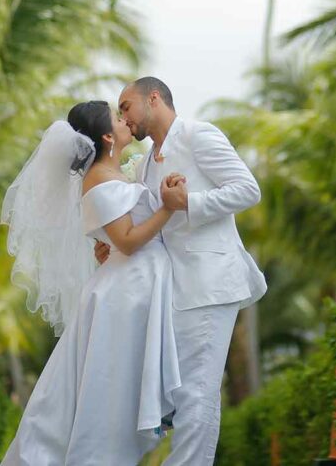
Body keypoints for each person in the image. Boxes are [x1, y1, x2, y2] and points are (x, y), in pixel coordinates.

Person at [0, 100, 187, 466]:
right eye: (118, 118)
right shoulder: (99, 177)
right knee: (107, 395)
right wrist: (167, 206)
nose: (125, 120)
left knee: (111, 392)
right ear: (106, 135)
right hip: (123, 294)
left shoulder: (114, 173)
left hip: (132, 286)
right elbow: (129, 241)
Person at [101, 76, 268, 466]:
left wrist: (188, 201)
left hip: (210, 283)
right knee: (176, 397)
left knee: (197, 393)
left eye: (126, 106)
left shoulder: (199, 135)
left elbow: (248, 189)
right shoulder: (143, 164)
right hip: (171, 292)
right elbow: (150, 223)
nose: (123, 117)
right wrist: (110, 242)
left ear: (153, 98)